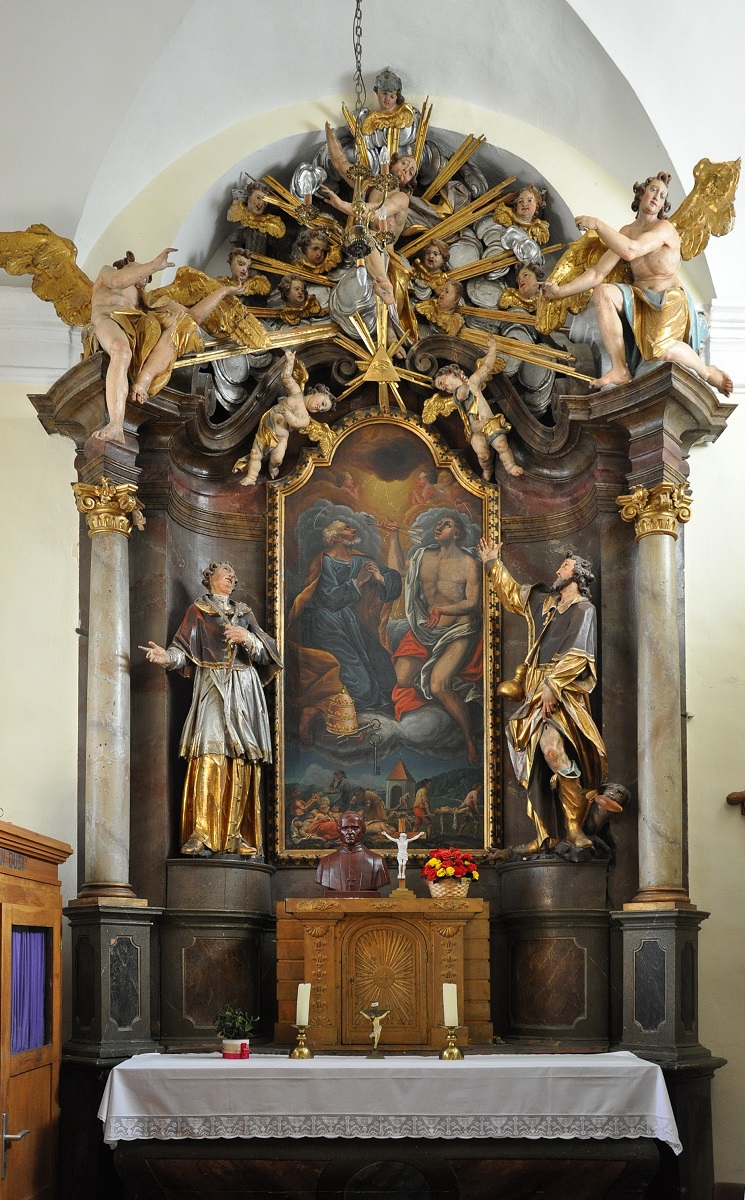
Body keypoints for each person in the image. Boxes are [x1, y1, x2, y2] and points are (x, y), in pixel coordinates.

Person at [539, 172, 733, 395]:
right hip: (640, 300)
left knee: (663, 353)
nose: (656, 197)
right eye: (653, 190)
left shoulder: (664, 228)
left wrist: (597, 225)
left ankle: (707, 371)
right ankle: (620, 368)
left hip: (669, 299)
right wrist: (560, 291)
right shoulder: (626, 232)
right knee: (602, 292)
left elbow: (631, 250)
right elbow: (597, 274)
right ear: (641, 193)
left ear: (662, 205)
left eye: (662, 196)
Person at [139, 562, 281, 858]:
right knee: (209, 756)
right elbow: (183, 650)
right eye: (226, 571)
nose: (232, 576)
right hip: (212, 685)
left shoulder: (244, 613)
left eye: (234, 573)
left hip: (243, 686)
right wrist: (165, 656)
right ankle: (201, 833)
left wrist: (249, 639)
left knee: (241, 758)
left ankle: (236, 834)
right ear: (209, 579)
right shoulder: (198, 612)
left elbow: (270, 651)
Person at [478, 539, 608, 853]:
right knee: (534, 759)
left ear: (578, 575)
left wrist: (553, 685)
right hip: (537, 687)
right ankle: (543, 836)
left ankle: (574, 830)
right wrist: (493, 563)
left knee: (553, 750)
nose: (557, 571)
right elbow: (512, 596)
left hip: (564, 691)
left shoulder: (584, 610)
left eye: (564, 567)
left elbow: (579, 655)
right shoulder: (544, 603)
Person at [86, 247, 247, 443]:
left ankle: (144, 379)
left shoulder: (146, 302)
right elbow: (118, 280)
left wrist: (224, 292)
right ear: (129, 264)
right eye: (142, 273)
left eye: (146, 278)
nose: (144, 279)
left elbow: (193, 317)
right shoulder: (108, 275)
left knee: (181, 325)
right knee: (121, 349)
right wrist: (154, 265)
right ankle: (115, 425)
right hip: (107, 320)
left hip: (135, 329)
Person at [388, 513, 482, 764]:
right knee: (400, 677)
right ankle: (428, 723)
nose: (439, 527)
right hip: (424, 629)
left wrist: (444, 610)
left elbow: (472, 603)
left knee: (438, 685)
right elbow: (397, 570)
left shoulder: (468, 562)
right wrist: (394, 535)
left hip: (457, 630)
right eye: (438, 524)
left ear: (458, 533)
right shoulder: (423, 557)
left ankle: (468, 739)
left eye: (447, 524)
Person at [291, 518, 402, 714]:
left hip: (351, 623)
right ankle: (318, 709)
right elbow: (330, 600)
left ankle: (380, 704)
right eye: (347, 528)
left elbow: (392, 577)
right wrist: (358, 581)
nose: (353, 529)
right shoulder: (325, 563)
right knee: (362, 687)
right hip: (325, 625)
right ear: (335, 538)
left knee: (386, 673)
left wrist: (380, 578)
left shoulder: (360, 560)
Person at [235, 349, 335, 485]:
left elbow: (294, 422)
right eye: (322, 402)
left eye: (322, 409)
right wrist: (289, 361)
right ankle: (251, 477)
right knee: (255, 453)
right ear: (316, 392)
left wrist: (285, 412)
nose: (319, 407)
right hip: (268, 425)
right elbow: (286, 377)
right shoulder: (296, 393)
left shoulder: (305, 419)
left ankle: (273, 467)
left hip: (281, 437)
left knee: (277, 459)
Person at [434, 338, 524, 479]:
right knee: (483, 456)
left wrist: (492, 348)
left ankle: (510, 466)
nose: (444, 388)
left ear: (450, 372)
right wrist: (464, 384)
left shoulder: (473, 381)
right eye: (442, 388)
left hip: (489, 423)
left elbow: (487, 367)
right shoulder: (456, 396)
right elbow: (463, 394)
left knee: (501, 445)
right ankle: (487, 471)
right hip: (475, 431)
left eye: (442, 382)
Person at [315, 811, 391, 893]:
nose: (349, 832)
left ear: (363, 831)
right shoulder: (325, 862)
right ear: (338, 831)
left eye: (355, 828)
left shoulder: (377, 861)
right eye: (344, 828)